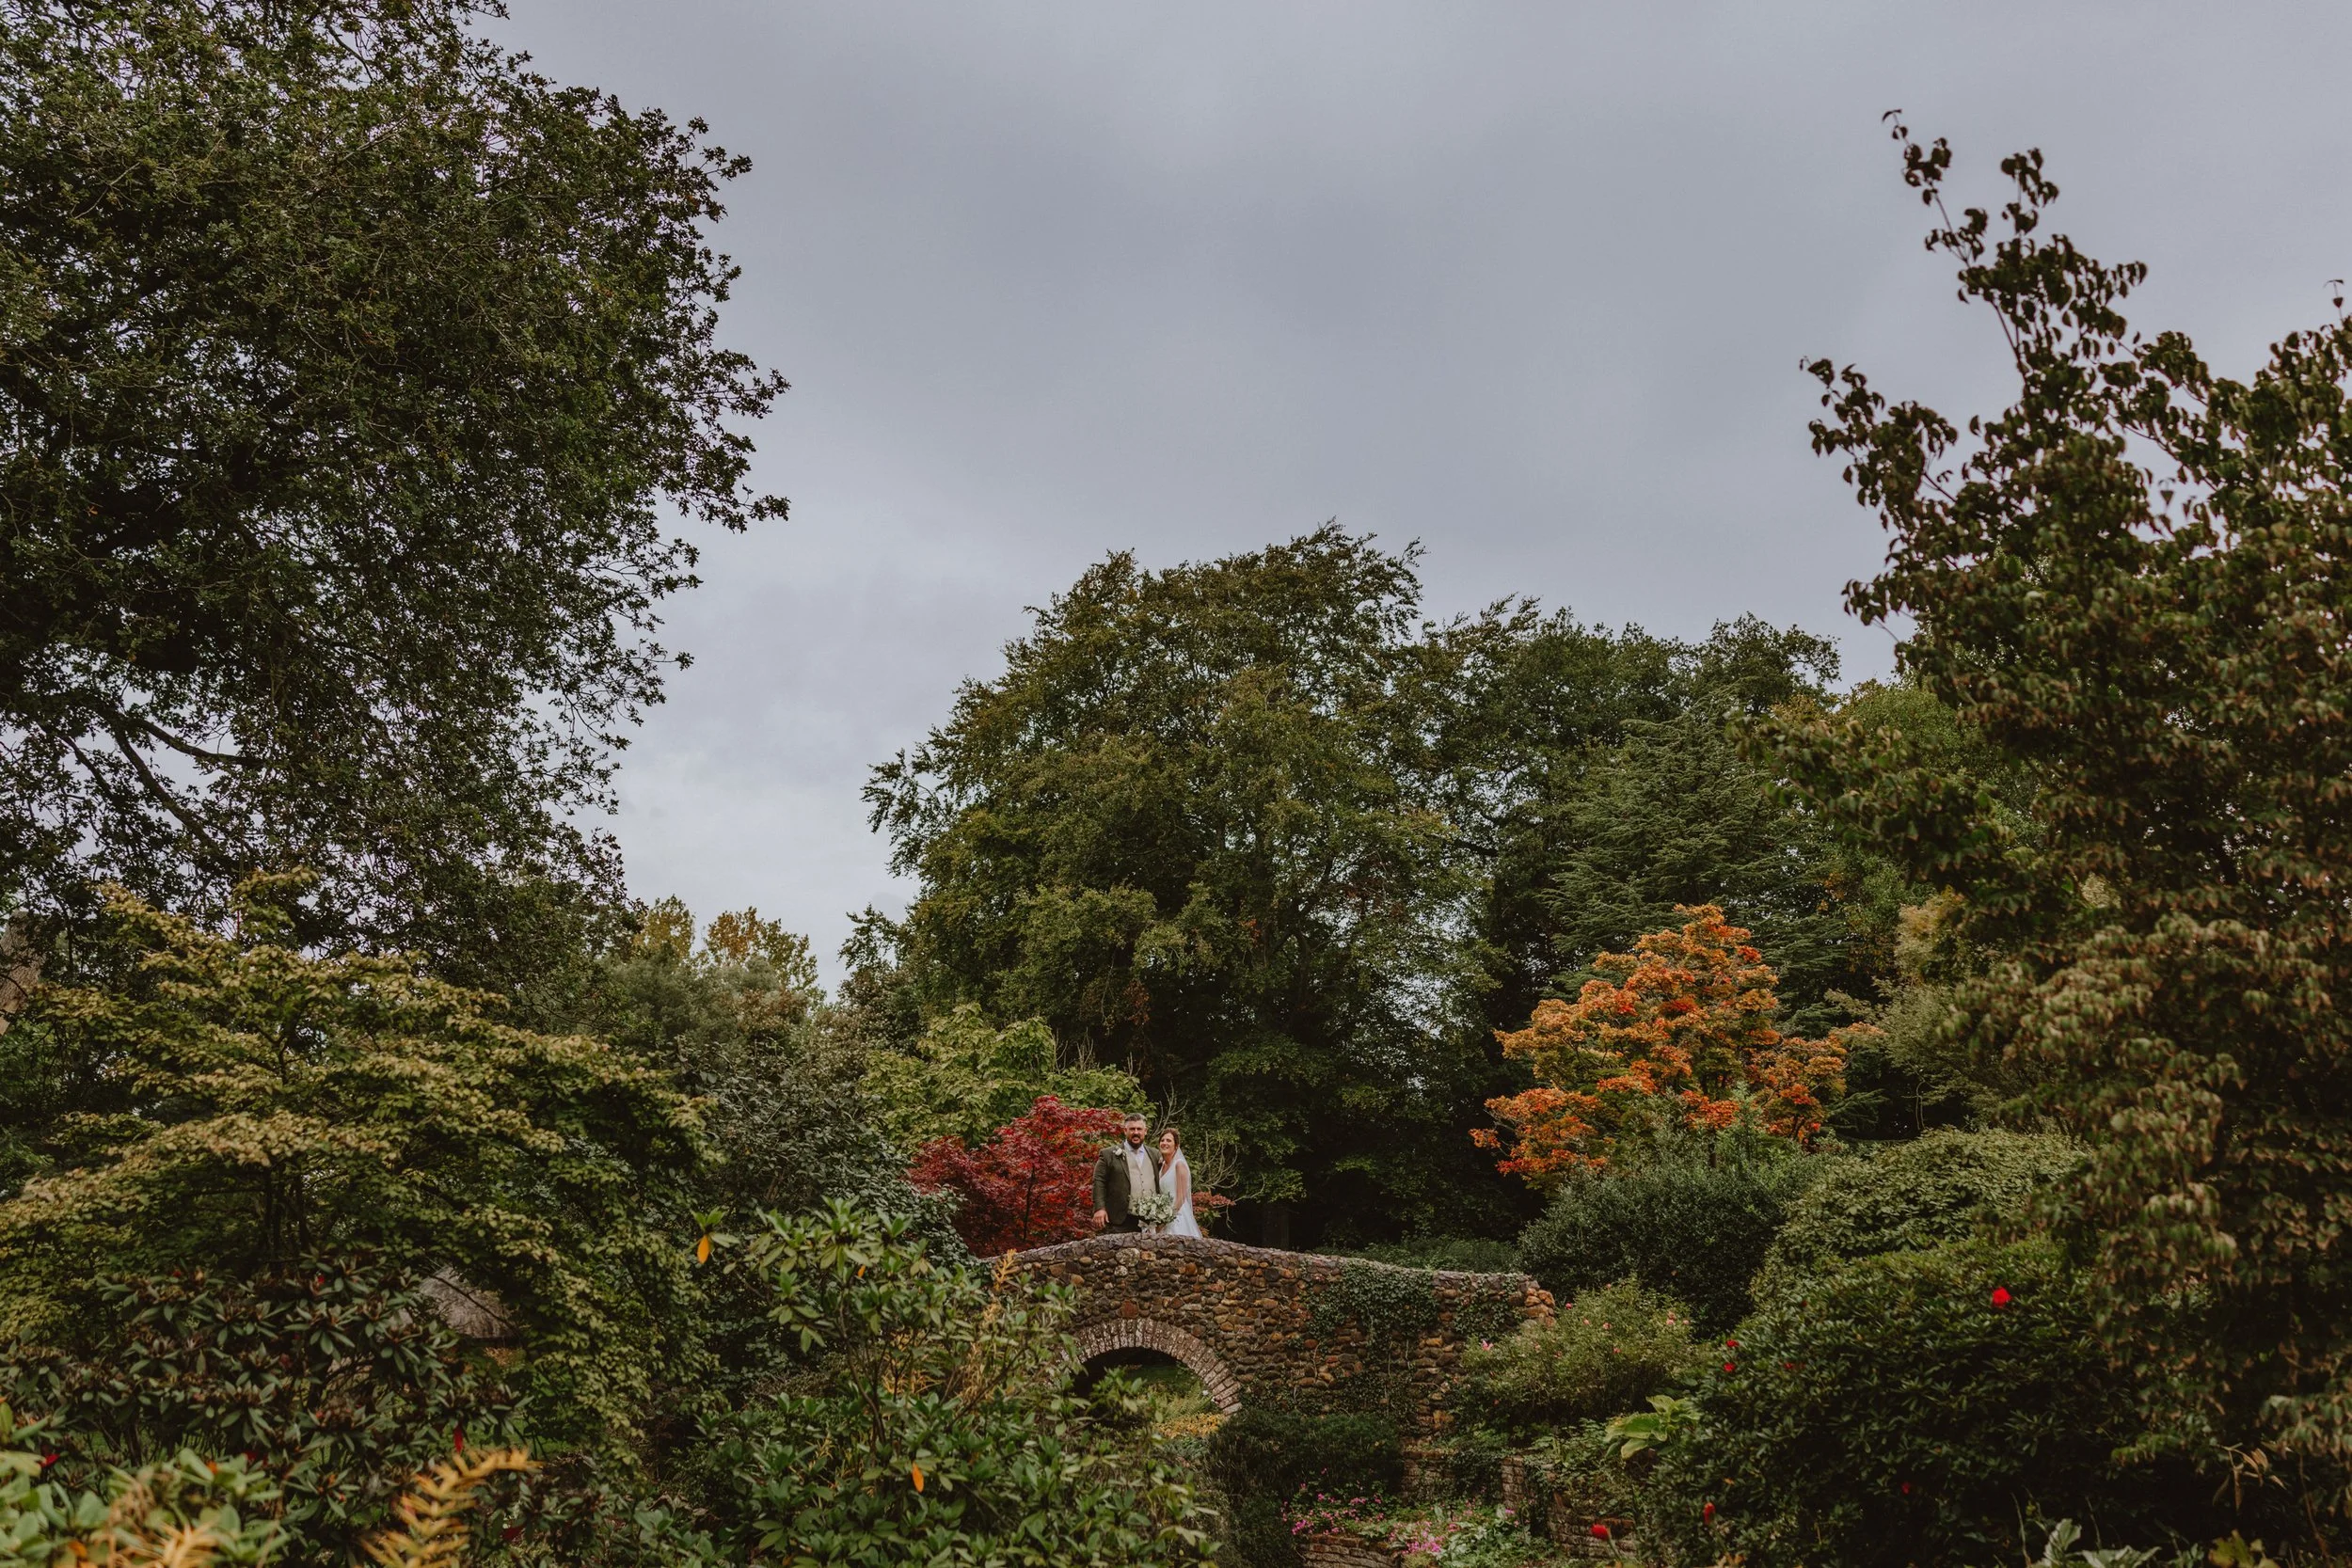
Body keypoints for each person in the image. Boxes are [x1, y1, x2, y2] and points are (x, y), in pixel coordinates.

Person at [1092, 1111, 1160, 1233]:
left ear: (1145, 1131)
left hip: (1150, 1220)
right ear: (1125, 1131)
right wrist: (1100, 1208)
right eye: (1132, 1129)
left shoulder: (1155, 1155)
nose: (1136, 1133)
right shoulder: (1108, 1154)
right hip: (1120, 1220)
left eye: (1139, 1129)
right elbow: (1099, 1181)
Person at [1158, 1127, 1201, 1238]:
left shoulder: (1179, 1165)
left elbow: (1181, 1198)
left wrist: (1166, 1220)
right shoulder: (1162, 1165)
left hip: (1177, 1216)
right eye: (1162, 1140)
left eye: (1169, 1140)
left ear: (1176, 1146)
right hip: (1163, 1213)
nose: (1164, 1143)